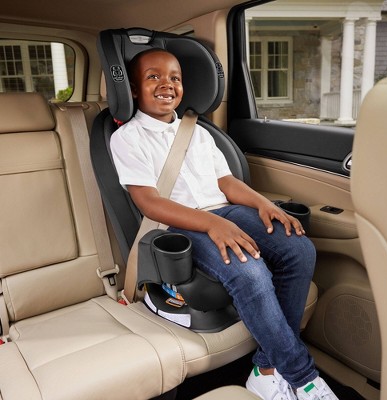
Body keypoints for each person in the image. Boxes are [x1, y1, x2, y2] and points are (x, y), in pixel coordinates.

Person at [110, 48, 339, 400]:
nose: (166, 84)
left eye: (175, 78)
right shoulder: (127, 137)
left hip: (225, 211)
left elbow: (226, 182)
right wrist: (211, 225)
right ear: (134, 90)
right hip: (181, 224)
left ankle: (265, 369)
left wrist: (264, 204)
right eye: (153, 77)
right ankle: (303, 377)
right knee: (249, 270)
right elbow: (150, 202)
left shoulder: (199, 132)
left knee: (300, 249)